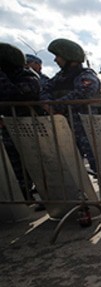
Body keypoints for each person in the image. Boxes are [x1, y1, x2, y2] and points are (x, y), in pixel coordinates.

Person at [42, 38, 101, 173]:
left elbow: (82, 93)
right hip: (65, 129)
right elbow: (44, 91)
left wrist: (55, 107)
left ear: (69, 57)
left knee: (99, 166)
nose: (55, 60)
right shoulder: (59, 77)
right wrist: (48, 104)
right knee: (68, 168)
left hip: (87, 130)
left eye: (58, 56)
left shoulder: (86, 76)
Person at [0, 43, 41, 196]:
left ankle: (45, 195)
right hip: (9, 128)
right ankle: (23, 193)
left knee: (36, 164)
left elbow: (13, 95)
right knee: (15, 166)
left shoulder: (28, 77)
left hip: (30, 129)